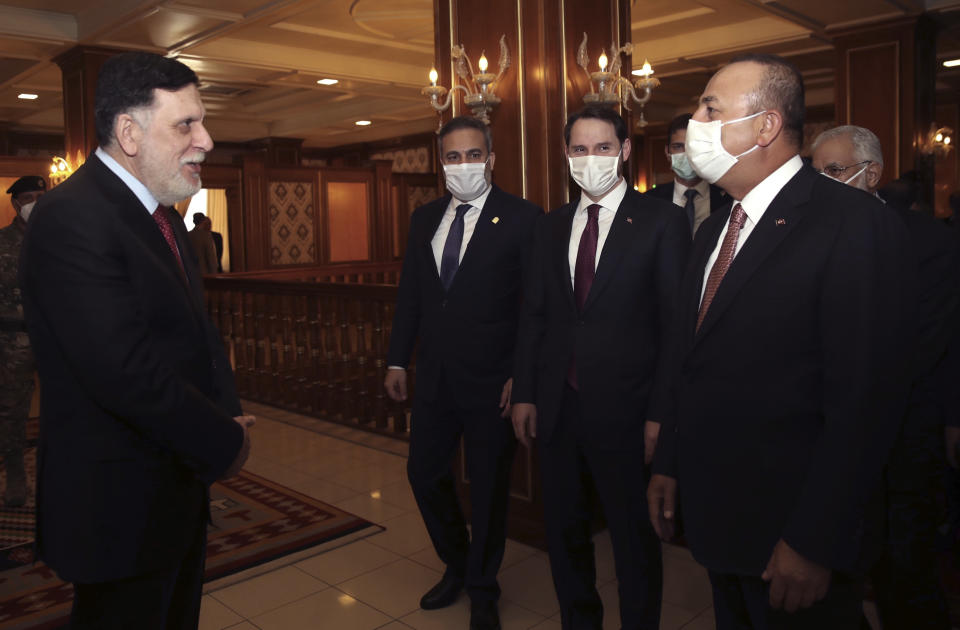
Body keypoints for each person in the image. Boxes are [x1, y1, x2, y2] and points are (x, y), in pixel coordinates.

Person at [647, 54, 914, 629]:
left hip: (792, 533)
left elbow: (865, 402)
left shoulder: (853, 224)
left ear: (765, 126)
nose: (695, 121)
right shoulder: (718, 227)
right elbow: (691, 358)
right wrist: (670, 461)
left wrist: (815, 540)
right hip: (720, 517)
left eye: (710, 108)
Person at [19, 51, 253, 630]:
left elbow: (197, 334)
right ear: (129, 132)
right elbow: (125, 373)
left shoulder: (164, 218)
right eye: (186, 124)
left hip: (176, 489)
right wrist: (225, 443)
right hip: (117, 507)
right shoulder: (71, 216)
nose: (207, 140)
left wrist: (229, 413)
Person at [511, 105, 689, 630]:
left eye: (604, 148)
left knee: (633, 540)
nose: (592, 159)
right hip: (558, 407)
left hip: (629, 411)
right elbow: (535, 316)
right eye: (580, 150)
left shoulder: (663, 221)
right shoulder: (550, 227)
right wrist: (524, 390)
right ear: (567, 155)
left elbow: (675, 331)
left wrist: (662, 414)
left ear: (626, 150)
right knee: (564, 533)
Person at [384, 115, 541, 630]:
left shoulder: (522, 218)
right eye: (453, 157)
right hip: (434, 377)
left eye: (473, 155)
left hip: (494, 382)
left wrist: (523, 375)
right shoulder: (424, 217)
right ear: (441, 164)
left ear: (491, 159)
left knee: (491, 487)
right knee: (423, 473)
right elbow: (413, 294)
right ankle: (457, 561)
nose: (463, 165)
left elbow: (533, 308)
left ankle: (482, 586)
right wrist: (396, 358)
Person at [812, 125, 956, 630]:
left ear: (870, 174)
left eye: (833, 172)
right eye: (816, 173)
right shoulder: (808, 236)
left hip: (900, 430)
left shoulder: (926, 240)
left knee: (903, 568)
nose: (821, 183)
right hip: (828, 435)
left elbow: (919, 346)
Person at [0, 175, 45, 507]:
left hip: (56, 341)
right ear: (16, 203)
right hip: (13, 341)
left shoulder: (60, 238)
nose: (35, 203)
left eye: (41, 196)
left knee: (66, 408)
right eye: (29, 197)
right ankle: (16, 475)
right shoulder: (2, 242)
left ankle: (61, 471)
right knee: (11, 411)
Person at [645, 113, 727, 236]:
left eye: (692, 146)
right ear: (667, 152)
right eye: (678, 146)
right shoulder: (649, 201)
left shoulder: (726, 199)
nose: (686, 153)